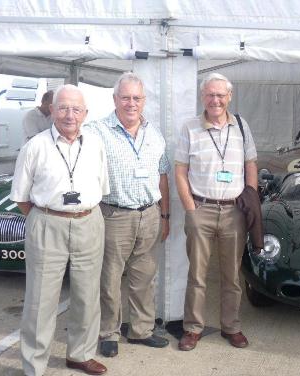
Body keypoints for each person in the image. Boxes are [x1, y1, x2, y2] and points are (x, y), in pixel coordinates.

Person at [10, 85, 109, 376]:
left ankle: (80, 354)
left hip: (89, 221)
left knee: (88, 295)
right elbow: (21, 196)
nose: (69, 115)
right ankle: (34, 366)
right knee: (41, 300)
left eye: (76, 109)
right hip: (46, 223)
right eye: (63, 108)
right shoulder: (35, 146)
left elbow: (101, 187)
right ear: (51, 110)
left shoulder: (95, 144)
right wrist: (49, 216)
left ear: (85, 113)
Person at [87, 72, 171, 357]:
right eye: (125, 97)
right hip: (114, 216)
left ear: (144, 101)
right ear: (115, 99)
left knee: (144, 276)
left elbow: (163, 177)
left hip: (149, 215)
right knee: (109, 278)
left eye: (136, 98)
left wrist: (165, 216)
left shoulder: (154, 134)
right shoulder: (96, 131)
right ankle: (108, 332)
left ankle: (141, 330)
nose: (131, 103)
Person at [174, 72, 258, 351]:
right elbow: (180, 171)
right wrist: (190, 208)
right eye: (210, 94)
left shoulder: (242, 127)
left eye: (221, 95)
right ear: (203, 97)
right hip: (202, 209)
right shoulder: (190, 128)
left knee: (232, 274)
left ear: (229, 97)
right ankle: (193, 328)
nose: (216, 100)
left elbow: (251, 165)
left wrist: (251, 197)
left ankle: (231, 327)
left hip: (234, 211)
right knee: (197, 274)